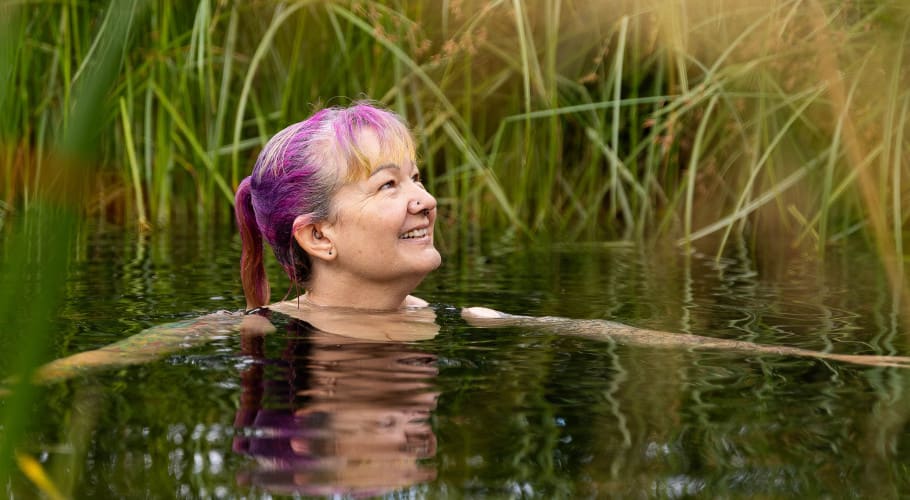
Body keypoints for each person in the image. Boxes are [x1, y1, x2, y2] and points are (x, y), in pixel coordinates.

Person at [30, 100, 910, 384]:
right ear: (317, 236)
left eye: (418, 176)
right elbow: (106, 358)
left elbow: (641, 339)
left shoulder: (469, 315)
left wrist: (873, 364)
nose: (426, 198)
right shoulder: (257, 335)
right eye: (390, 186)